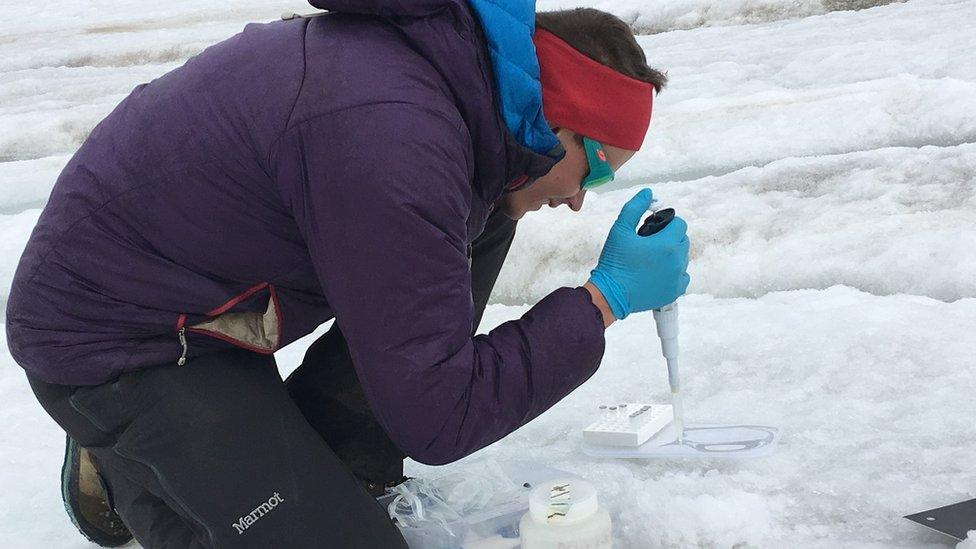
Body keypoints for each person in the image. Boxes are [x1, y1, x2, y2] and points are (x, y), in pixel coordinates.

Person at [5, 0, 690, 546]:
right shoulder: (398, 143)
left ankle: (341, 460)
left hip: (195, 288)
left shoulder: (452, 96)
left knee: (489, 212)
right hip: (117, 338)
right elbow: (440, 416)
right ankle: (130, 463)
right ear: (556, 118)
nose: (579, 197)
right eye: (595, 167)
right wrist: (603, 301)